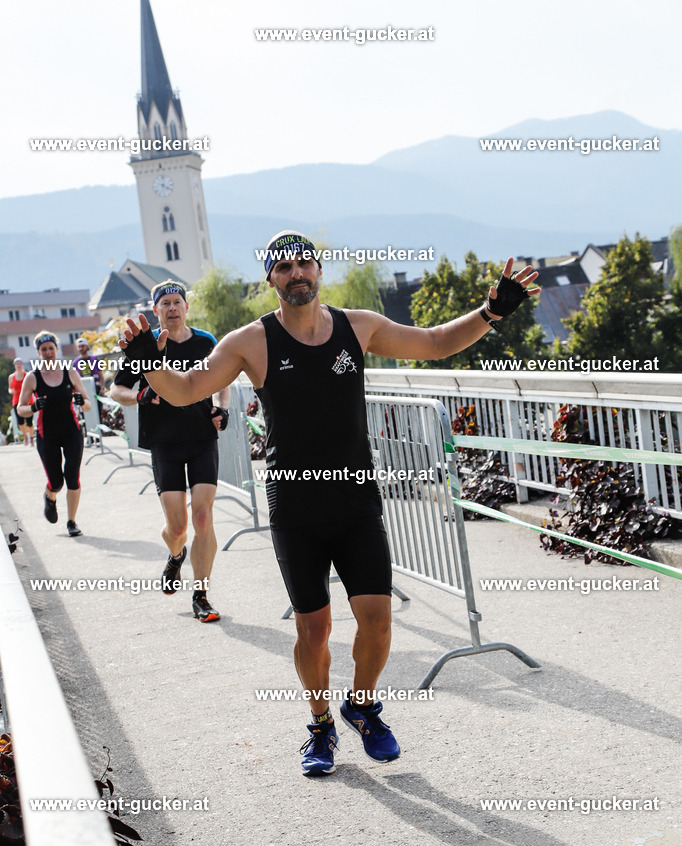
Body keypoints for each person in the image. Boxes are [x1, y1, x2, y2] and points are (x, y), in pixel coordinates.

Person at [120, 233, 539, 775]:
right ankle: (319, 724)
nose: (296, 273)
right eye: (284, 267)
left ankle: (361, 707)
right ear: (270, 279)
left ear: (317, 271)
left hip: (355, 496)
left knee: (378, 621)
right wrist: (147, 364)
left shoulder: (357, 326)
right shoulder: (252, 341)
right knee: (313, 630)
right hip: (295, 504)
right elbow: (188, 389)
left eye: (304, 264)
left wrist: (491, 312)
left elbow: (434, 342)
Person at [110, 280, 231, 623]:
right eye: (165, 303)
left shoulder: (206, 342)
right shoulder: (145, 348)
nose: (173, 308)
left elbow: (222, 382)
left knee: (203, 517)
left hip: (201, 437)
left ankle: (201, 595)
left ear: (187, 307)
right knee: (177, 528)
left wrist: (222, 409)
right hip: (164, 441)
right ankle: (176, 556)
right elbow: (117, 389)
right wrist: (140, 397)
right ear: (156, 310)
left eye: (178, 301)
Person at [17, 331, 90, 537]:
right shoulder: (33, 377)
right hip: (46, 434)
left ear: (56, 350)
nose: (48, 352)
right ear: (38, 353)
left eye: (51, 348)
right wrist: (33, 407)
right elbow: (20, 408)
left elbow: (88, 404)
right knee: (57, 482)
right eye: (43, 350)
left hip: (71, 432)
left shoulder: (70, 373)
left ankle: (72, 521)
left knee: (73, 476)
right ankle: (50, 496)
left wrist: (81, 402)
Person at [8, 358, 35, 446]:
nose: (18, 366)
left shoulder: (27, 375)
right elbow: (10, 388)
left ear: (22, 365)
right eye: (17, 364)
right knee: (20, 421)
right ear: (15, 366)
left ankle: (31, 438)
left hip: (28, 400)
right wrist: (11, 391)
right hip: (17, 401)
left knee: (30, 421)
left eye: (20, 364)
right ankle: (25, 437)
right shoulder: (11, 377)